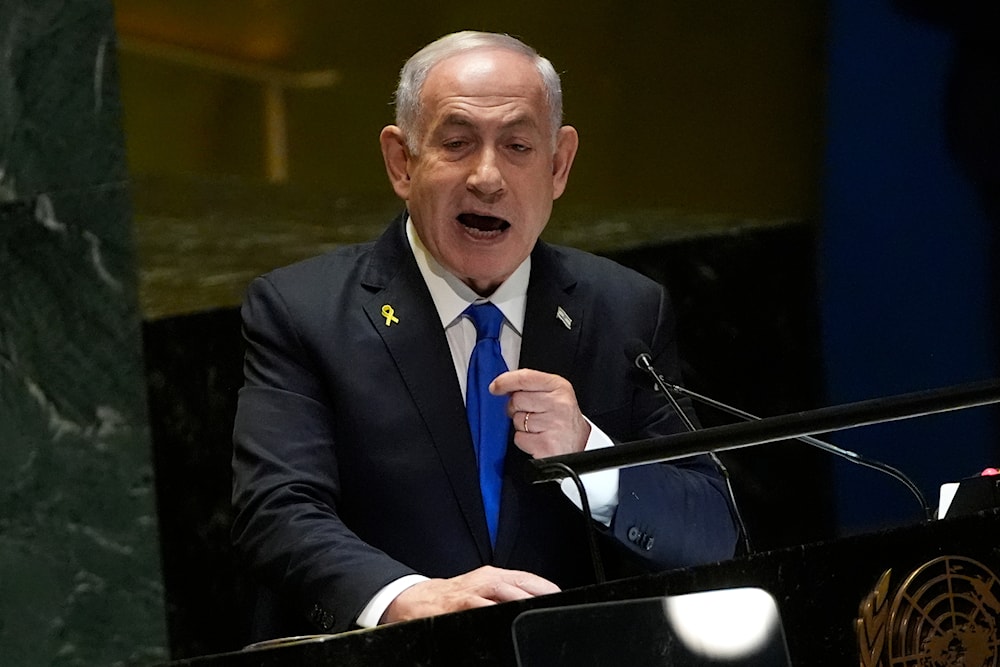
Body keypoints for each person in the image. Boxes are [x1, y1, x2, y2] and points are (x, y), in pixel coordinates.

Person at [231, 30, 740, 640]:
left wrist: (589, 453)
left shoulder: (624, 309)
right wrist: (408, 598)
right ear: (401, 161)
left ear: (558, 165)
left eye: (519, 145)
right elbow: (276, 511)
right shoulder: (302, 311)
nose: (488, 177)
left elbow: (710, 530)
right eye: (456, 143)